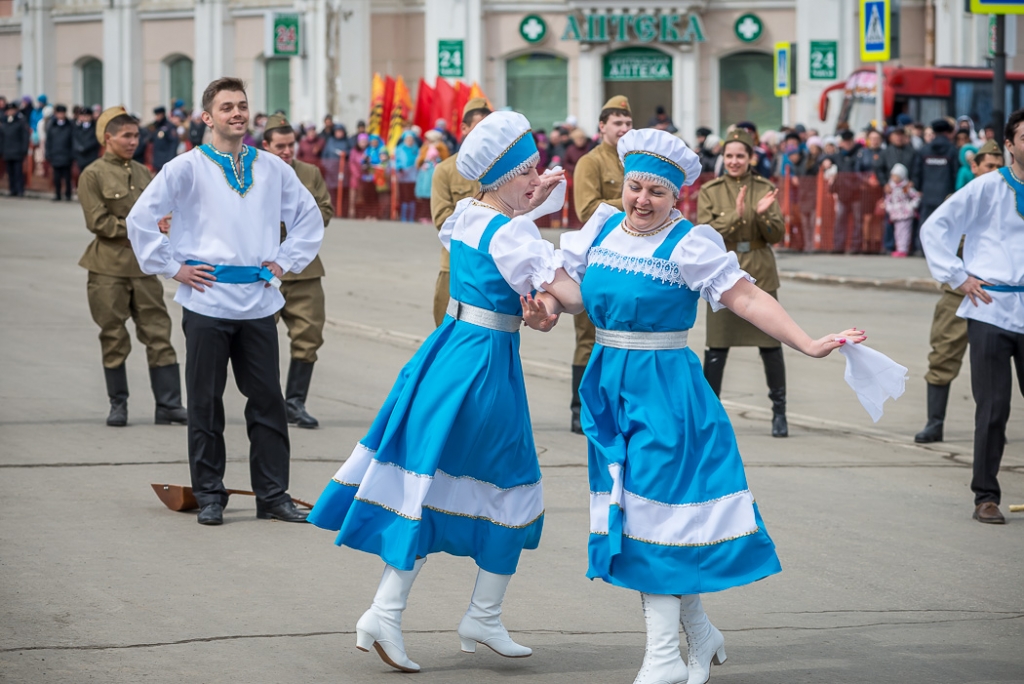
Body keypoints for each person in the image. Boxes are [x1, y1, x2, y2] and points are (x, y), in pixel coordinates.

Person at [522, 127, 864, 684]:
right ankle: (700, 634)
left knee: (656, 517)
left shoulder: (689, 243)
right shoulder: (602, 226)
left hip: (667, 395)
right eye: (635, 186)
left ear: (677, 195)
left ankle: (662, 660)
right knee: (638, 520)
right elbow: (575, 296)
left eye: (656, 192)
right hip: (609, 388)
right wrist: (544, 308)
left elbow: (747, 297)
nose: (642, 199)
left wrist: (807, 343)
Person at [306, 111, 572, 674]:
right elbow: (564, 291)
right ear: (503, 178)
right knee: (512, 483)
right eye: (528, 171)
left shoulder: (469, 216)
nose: (537, 179)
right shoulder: (513, 231)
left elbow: (512, 234)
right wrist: (608, 272)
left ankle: (402, 610)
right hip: (484, 367)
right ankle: (467, 613)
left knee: (430, 480)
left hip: (449, 350)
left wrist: (534, 211)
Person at [126, 77, 324, 526]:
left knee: (268, 403)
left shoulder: (273, 168)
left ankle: (272, 495)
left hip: (257, 303)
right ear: (207, 117)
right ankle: (210, 493)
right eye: (227, 107)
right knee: (205, 402)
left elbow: (308, 219)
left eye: (242, 105)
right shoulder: (186, 167)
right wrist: (172, 267)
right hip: (207, 303)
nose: (237, 113)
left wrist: (283, 262)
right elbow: (140, 218)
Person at [920, 112, 1024, 526]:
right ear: (1010, 144)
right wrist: (958, 276)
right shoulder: (987, 187)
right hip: (991, 308)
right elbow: (935, 228)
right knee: (994, 407)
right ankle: (986, 495)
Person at [76, 106, 189, 427]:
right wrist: (142, 227)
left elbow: (161, 211)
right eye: (126, 136)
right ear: (107, 138)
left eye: (136, 135)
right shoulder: (93, 174)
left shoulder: (143, 172)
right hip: (108, 267)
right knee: (113, 335)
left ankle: (168, 405)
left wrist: (164, 223)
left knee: (158, 332)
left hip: (143, 267)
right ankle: (118, 404)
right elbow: (98, 222)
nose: (133, 141)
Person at [697, 128, 788, 437]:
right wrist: (736, 216)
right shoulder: (711, 190)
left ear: (751, 158)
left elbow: (777, 234)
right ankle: (710, 416)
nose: (734, 161)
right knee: (717, 348)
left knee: (770, 344)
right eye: (729, 155)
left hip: (760, 271)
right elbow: (704, 233)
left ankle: (780, 413)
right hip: (722, 274)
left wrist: (761, 216)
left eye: (740, 156)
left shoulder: (764, 188)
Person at [915, 139, 1004, 445]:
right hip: (958, 291)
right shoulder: (959, 200)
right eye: (988, 166)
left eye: (998, 166)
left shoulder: (1008, 198)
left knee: (994, 366)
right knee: (943, 354)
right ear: (974, 167)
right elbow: (939, 238)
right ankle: (934, 423)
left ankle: (995, 428)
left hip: (997, 294)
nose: (993, 171)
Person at [261, 113, 335, 430]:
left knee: (309, 336)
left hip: (304, 270)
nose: (287, 151)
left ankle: (295, 403)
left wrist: (290, 221)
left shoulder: (309, 172)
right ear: (265, 146)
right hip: (264, 270)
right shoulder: (252, 173)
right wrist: (293, 220)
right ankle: (266, 403)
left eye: (291, 145)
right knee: (259, 339)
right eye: (280, 146)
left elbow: (324, 212)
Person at [569, 95, 633, 433]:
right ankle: (579, 408)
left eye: (627, 123)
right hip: (597, 254)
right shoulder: (590, 162)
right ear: (602, 126)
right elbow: (586, 209)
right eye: (617, 123)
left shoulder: (633, 162)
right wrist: (631, 201)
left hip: (631, 255)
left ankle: (614, 405)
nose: (623, 129)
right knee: (588, 334)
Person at [429, 98, 491, 326]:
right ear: (464, 128)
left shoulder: (505, 169)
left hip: (493, 267)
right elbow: (443, 221)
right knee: (447, 335)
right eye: (479, 127)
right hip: (455, 264)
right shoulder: (446, 170)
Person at [913, 118, 958, 255]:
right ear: (947, 132)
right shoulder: (952, 150)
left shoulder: (924, 150)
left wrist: (919, 188)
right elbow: (955, 173)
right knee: (944, 222)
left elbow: (916, 172)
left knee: (925, 221)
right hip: (946, 193)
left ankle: (921, 248)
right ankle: (941, 250)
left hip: (927, 192)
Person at [827, 130, 866, 254]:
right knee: (840, 220)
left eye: (849, 141)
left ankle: (856, 246)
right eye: (845, 141)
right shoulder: (838, 155)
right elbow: (824, 156)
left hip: (856, 192)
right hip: (842, 192)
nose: (847, 144)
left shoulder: (860, 153)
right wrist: (826, 161)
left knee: (858, 220)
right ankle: (838, 246)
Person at [883, 163, 921, 258]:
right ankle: (899, 248)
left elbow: (916, 196)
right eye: (893, 176)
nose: (894, 178)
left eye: (896, 176)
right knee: (897, 232)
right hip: (895, 213)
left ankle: (903, 249)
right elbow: (888, 199)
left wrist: (911, 206)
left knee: (905, 232)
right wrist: (889, 207)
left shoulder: (906, 187)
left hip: (905, 213)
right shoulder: (891, 187)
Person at [45, 104, 74, 200]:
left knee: (67, 177)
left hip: (66, 154)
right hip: (55, 154)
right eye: (59, 113)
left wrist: (72, 154)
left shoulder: (70, 125)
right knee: (56, 177)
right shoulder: (52, 125)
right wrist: (48, 153)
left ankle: (68, 194)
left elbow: (73, 140)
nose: (60, 115)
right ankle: (57, 194)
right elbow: (48, 141)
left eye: (62, 113)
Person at [1, 101, 29, 196]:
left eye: (12, 110)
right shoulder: (4, 122)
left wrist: (24, 149)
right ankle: (12, 190)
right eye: (9, 110)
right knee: (10, 172)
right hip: (7, 151)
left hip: (17, 151)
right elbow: (2, 137)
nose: (10, 112)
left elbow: (25, 137)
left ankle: (19, 190)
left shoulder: (20, 121)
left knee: (18, 172)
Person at [394, 131, 420, 223]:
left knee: (412, 197)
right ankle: (404, 217)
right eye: (407, 139)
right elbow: (395, 161)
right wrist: (399, 167)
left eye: (411, 139)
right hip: (403, 177)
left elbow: (419, 161)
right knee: (404, 197)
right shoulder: (399, 149)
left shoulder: (416, 149)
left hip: (413, 177)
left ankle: (412, 217)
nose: (409, 141)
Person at [148, 106, 179, 173]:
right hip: (157, 160)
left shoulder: (169, 127)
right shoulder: (156, 126)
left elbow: (173, 144)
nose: (157, 117)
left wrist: (170, 159)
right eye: (156, 115)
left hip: (166, 159)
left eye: (159, 115)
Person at [73, 108, 101, 178]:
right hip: (81, 157)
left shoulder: (95, 127)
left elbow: (95, 140)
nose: (85, 118)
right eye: (84, 116)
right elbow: (75, 139)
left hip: (91, 156)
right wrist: (79, 147)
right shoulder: (78, 127)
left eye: (87, 116)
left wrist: (85, 147)